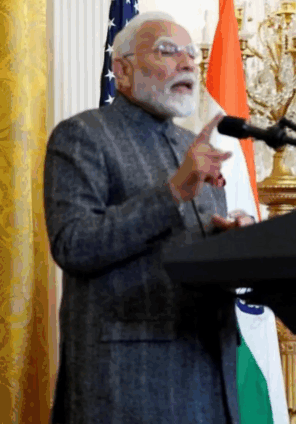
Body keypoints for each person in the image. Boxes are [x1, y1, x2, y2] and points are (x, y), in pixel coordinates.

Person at [45, 12, 252, 424]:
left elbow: (188, 254)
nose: (188, 62)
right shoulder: (84, 136)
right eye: (167, 51)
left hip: (211, 376)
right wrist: (172, 192)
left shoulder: (195, 147)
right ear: (122, 70)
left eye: (192, 54)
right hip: (129, 387)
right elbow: (74, 245)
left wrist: (233, 242)